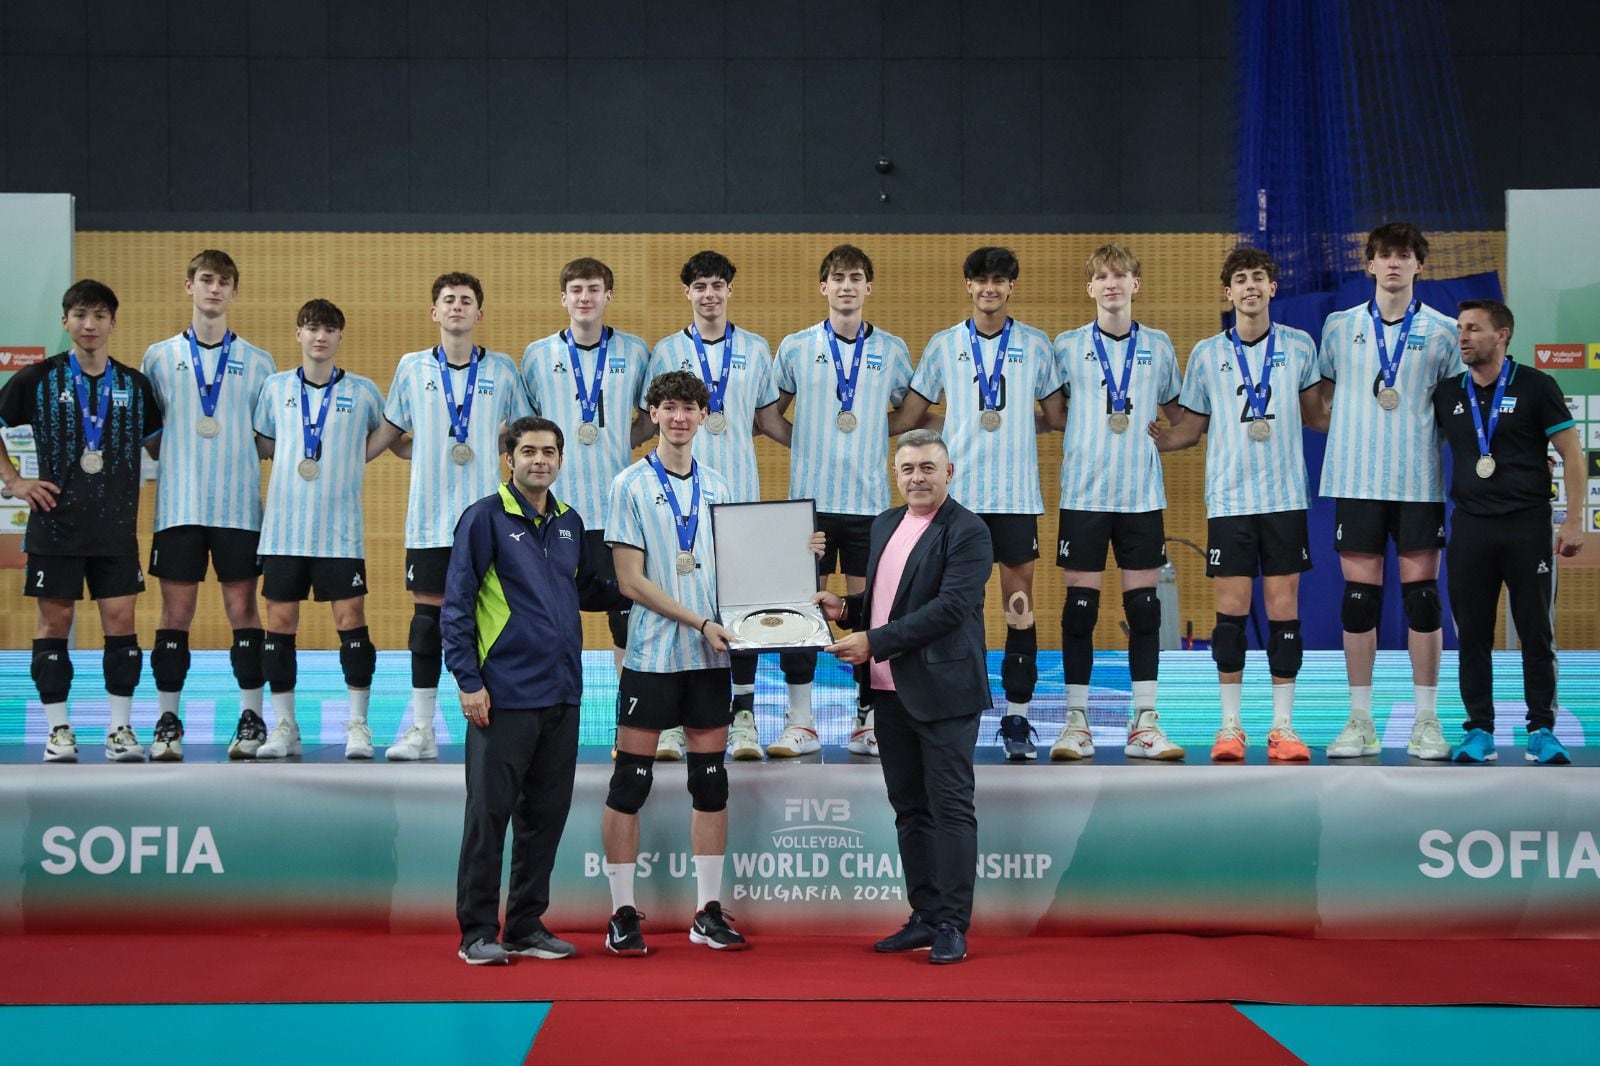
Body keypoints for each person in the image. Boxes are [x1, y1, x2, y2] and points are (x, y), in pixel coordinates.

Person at [444, 416, 626, 965]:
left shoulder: (570, 522)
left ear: (561, 459)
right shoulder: (484, 518)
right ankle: (477, 932)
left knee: (544, 817)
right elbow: (456, 607)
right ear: (509, 459)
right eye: (528, 452)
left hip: (562, 693)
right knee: (489, 817)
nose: (539, 460)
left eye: (549, 451)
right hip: (501, 696)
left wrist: (651, 585)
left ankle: (525, 923)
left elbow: (587, 590)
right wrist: (469, 681)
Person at [815, 429, 991, 965]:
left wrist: (873, 642)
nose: (917, 477)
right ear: (896, 474)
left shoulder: (969, 531)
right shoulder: (886, 523)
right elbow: (886, 599)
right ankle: (924, 915)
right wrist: (846, 609)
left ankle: (953, 926)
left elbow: (948, 610)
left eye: (928, 468)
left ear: (949, 473)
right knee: (910, 810)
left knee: (951, 811)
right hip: (889, 692)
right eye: (908, 468)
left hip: (944, 692)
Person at [1153, 248, 1322, 762]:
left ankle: (1284, 728)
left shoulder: (1300, 346)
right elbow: (1191, 429)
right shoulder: (1206, 353)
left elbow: (1318, 416)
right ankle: (1230, 727)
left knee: (1284, 613)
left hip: (1285, 499)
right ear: (1228, 293)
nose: (1250, 287)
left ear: (1273, 288)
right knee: (1229, 614)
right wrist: (1152, 439)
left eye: (1259, 279)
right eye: (1241, 280)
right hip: (1229, 501)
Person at [897, 247, 1065, 760]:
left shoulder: (1036, 345)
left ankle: (1018, 717)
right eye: (981, 280)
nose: (989, 289)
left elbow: (1055, 414)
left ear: (1012, 287)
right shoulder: (944, 345)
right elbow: (911, 415)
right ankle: (948, 714)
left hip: (1015, 498)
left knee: (1019, 609)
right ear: (967, 286)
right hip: (957, 504)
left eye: (999, 281)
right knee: (951, 610)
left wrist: (1013, 424)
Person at [600, 370, 743, 955]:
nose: (681, 417)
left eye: (691, 408)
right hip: (654, 657)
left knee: (710, 784)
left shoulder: (721, 485)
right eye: (670, 408)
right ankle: (622, 913)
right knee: (629, 784)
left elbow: (741, 570)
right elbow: (631, 582)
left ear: (704, 417)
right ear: (652, 413)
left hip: (710, 662)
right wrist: (700, 621)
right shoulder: (629, 485)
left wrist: (797, 561)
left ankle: (707, 910)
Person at [1317, 223, 1462, 761]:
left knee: (1423, 599)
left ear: (1419, 265)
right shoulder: (1339, 327)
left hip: (1420, 484)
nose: (1395, 264)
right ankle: (1360, 720)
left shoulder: (1445, 332)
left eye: (1405, 255)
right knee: (1360, 602)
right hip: (1356, 482)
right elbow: (1322, 399)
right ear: (1371, 265)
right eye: (1385, 256)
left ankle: (1427, 719)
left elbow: (1454, 413)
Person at [0, 280, 161, 762]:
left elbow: (164, 448)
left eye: (99, 316)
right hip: (55, 527)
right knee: (55, 621)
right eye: (80, 315)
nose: (89, 324)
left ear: (113, 322)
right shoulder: (36, 379)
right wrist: (14, 482)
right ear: (65, 321)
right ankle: (58, 731)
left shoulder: (134, 385)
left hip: (115, 531)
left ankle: (119, 730)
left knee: (121, 623)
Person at [374, 272, 530, 762]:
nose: (457, 307)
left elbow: (522, 439)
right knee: (428, 623)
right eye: (448, 300)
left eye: (466, 301)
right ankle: (422, 729)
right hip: (429, 520)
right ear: (434, 312)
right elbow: (391, 435)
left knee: (493, 622)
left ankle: (497, 726)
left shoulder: (504, 371)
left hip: (491, 522)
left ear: (480, 314)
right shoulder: (411, 367)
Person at [771, 244, 916, 759]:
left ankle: (868, 718)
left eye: (856, 277)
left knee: (869, 615)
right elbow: (769, 416)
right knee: (804, 612)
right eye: (837, 277)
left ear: (869, 287)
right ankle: (801, 722)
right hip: (809, 506)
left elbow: (909, 414)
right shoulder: (794, 346)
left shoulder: (894, 350)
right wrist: (810, 441)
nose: (847, 285)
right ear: (823, 287)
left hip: (870, 507)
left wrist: (870, 437)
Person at [1047, 244, 1187, 761]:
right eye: (1102, 276)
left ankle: (1145, 723)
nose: (1111, 283)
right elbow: (1050, 413)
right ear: (1089, 288)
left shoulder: (1160, 346)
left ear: (1136, 284)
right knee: (1079, 612)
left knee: (1144, 611)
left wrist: (1172, 441)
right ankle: (1076, 724)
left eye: (1121, 275)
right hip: (1083, 496)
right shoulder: (1064, 347)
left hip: (1141, 498)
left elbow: (1181, 414)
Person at [646, 251, 785, 762]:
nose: (709, 294)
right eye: (700, 286)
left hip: (737, 500)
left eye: (717, 285)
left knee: (740, 611)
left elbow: (769, 420)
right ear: (687, 292)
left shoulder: (755, 348)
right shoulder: (664, 351)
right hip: (674, 503)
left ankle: (743, 715)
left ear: (730, 290)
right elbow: (650, 420)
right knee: (678, 605)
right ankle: (671, 723)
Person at [1434, 299, 1585, 764]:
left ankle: (1541, 728)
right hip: (1471, 528)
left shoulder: (1539, 386)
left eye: (1474, 329)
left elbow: (1573, 455)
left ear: (1502, 335)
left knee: (1536, 631)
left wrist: (1574, 520)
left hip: (1528, 526)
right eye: (1460, 328)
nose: (1463, 336)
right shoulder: (1446, 393)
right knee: (1473, 634)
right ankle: (1478, 730)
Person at [140, 250, 277, 761]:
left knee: (243, 609)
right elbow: (152, 437)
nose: (214, 289)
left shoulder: (261, 362)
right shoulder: (156, 357)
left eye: (223, 282)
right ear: (188, 286)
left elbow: (268, 441)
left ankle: (252, 718)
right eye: (205, 280)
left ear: (235, 292)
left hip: (240, 509)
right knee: (176, 611)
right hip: (178, 507)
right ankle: (166, 720)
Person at [250, 300, 387, 760]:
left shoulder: (365, 392)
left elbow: (383, 439)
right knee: (280, 625)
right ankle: (284, 726)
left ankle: (358, 724)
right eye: (312, 328)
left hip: (340, 533)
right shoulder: (273, 388)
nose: (320, 337)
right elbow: (265, 442)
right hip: (284, 531)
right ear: (298, 335)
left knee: (351, 624)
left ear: (340, 337)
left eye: (329, 329)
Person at [520, 258, 650, 696]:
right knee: (554, 614)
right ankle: (556, 706)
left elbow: (652, 418)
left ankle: (632, 713)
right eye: (576, 289)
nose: (585, 297)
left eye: (593, 289)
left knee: (626, 614)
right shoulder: (537, 355)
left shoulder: (634, 351)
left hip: (618, 511)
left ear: (608, 295)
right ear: (563, 298)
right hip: (556, 511)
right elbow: (527, 430)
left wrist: (619, 441)